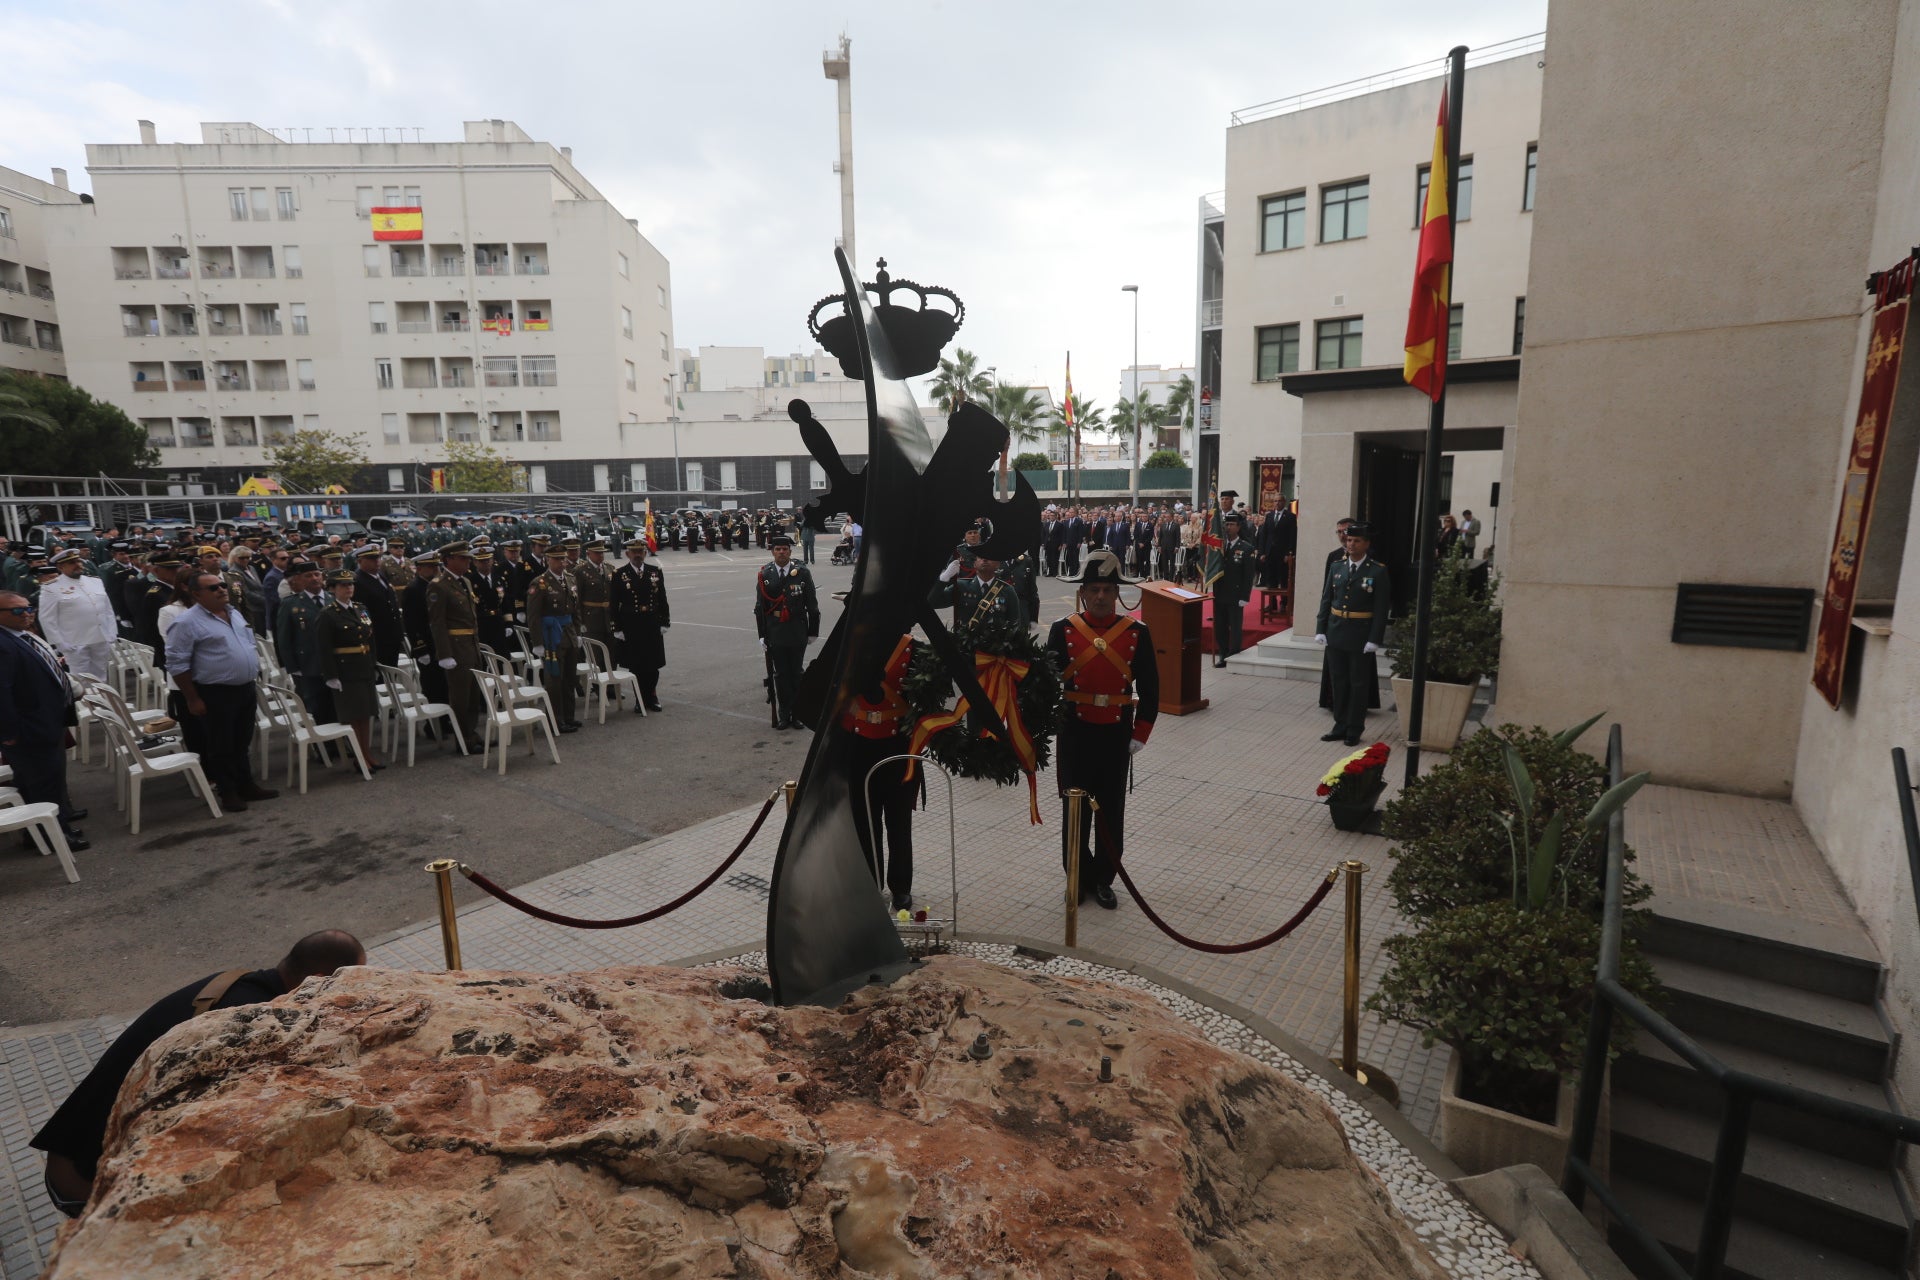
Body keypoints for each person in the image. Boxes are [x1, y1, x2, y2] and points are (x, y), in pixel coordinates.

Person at [31, 929, 367, 1217]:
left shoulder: (230, 983)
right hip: (84, 1181)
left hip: (66, 1152)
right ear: (321, 980)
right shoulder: (253, 1026)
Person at [1047, 549, 1157, 911]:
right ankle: (1077, 878)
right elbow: (1046, 683)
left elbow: (1152, 688)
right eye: (1093, 589)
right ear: (1083, 593)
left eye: (1107, 590)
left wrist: (1139, 733)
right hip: (1075, 734)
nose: (1099, 596)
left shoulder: (1137, 633)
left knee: (1111, 811)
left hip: (1115, 735)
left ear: (1116, 594)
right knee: (1075, 808)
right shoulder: (1061, 630)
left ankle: (1104, 879)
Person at [166, 571, 279, 811]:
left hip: (244, 687)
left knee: (241, 740)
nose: (221, 590)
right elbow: (177, 664)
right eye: (214, 588)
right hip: (215, 691)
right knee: (221, 744)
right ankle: (228, 792)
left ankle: (246, 784)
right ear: (196, 594)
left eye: (222, 585)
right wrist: (192, 699)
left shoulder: (234, 613)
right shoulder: (186, 622)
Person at [0, 591, 88, 850]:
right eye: (17, 610)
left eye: (29, 607)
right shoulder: (3, 644)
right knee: (41, 784)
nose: (27, 613)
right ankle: (53, 838)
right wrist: (9, 732)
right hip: (29, 728)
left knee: (49, 780)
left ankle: (52, 827)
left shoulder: (21, 637)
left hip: (47, 721)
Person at [842, 632, 919, 911]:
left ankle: (901, 887)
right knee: (864, 820)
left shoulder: (913, 649)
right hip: (859, 744)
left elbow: (922, 701)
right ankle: (870, 883)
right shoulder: (851, 643)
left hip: (897, 743)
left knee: (898, 821)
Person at [1315, 521, 1392, 747]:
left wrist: (1375, 638)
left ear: (1366, 544)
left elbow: (1380, 608)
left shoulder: (1377, 570)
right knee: (1339, 682)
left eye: (1356, 540)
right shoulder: (1336, 567)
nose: (1351, 544)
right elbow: (1326, 599)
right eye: (1349, 540)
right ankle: (1339, 725)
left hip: (1360, 635)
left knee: (1358, 684)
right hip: (1336, 631)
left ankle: (1354, 728)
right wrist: (1321, 628)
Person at [317, 570, 383, 770]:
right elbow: (323, 648)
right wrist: (331, 675)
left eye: (351, 585)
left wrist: (373, 663)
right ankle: (360, 757)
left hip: (364, 667)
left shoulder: (361, 609)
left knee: (366, 713)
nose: (348, 588)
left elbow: (370, 637)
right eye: (343, 585)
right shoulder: (328, 614)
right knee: (354, 715)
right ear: (332, 589)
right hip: (346, 671)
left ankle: (366, 754)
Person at [754, 533, 818, 730]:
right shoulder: (765, 574)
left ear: (790, 551)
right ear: (773, 552)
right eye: (778, 549)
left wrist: (812, 631)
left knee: (797, 673)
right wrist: (762, 635)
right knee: (781, 674)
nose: (781, 552)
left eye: (785, 549)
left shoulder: (802, 573)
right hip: (776, 631)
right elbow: (760, 607)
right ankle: (783, 714)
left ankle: (797, 714)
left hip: (797, 629)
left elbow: (812, 604)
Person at [428, 542, 484, 744]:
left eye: (468, 557)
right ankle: (463, 738)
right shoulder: (438, 585)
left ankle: (472, 732)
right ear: (448, 560)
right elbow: (437, 622)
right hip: (456, 647)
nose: (467, 561)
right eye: (462, 558)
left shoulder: (465, 582)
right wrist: (444, 654)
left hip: (470, 644)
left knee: (473, 694)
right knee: (460, 696)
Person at [525, 543, 585, 733]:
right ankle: (555, 720)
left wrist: (578, 632)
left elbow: (575, 608)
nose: (561, 562)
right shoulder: (540, 583)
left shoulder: (570, 579)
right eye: (557, 559)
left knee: (570, 678)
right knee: (555, 680)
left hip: (568, 633)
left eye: (563, 558)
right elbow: (533, 616)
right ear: (547, 560)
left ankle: (569, 716)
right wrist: (538, 643)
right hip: (551, 636)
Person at [37, 549, 117, 681]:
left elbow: (107, 609)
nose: (78, 565)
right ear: (60, 567)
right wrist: (60, 643)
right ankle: (85, 701)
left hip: (101, 637)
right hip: (75, 642)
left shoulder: (95, 582)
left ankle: (101, 700)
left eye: (78, 561)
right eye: (72, 563)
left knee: (101, 675)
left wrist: (112, 632)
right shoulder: (51, 587)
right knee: (80, 679)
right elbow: (46, 619)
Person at [610, 536, 669, 713]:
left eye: (641, 552)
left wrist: (665, 621)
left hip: (651, 623)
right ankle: (640, 699)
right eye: (634, 552)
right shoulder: (620, 574)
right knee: (636, 666)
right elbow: (613, 603)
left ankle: (652, 696)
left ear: (645, 552)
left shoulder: (655, 571)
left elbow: (662, 599)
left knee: (653, 666)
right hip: (631, 625)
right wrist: (617, 627)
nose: (638, 555)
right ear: (628, 553)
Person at [274, 558, 333, 723]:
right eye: (308, 575)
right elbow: (284, 639)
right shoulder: (291, 604)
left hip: (334, 663)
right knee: (318, 708)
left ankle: (344, 745)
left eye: (316, 574)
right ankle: (325, 747)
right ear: (299, 579)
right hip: (308, 665)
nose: (314, 578)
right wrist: (293, 667)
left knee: (337, 706)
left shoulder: (332, 599)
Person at [930, 547, 1027, 633]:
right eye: (980, 557)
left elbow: (1014, 624)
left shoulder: (1008, 591)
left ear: (997, 565)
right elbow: (933, 603)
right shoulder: (961, 586)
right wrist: (943, 578)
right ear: (974, 564)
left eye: (989, 557)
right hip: (966, 648)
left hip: (995, 648)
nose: (984, 559)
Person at [1212, 511, 1258, 667]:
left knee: (1235, 626)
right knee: (1220, 626)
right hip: (1219, 593)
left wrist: (1245, 596)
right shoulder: (1218, 547)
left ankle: (1234, 653)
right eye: (1227, 524)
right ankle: (1223, 653)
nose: (1228, 527)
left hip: (1235, 594)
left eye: (1232, 524)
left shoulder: (1246, 548)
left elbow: (1248, 575)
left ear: (1238, 527)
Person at [351, 545, 404, 666]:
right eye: (371, 558)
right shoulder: (358, 581)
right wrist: (369, 632)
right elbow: (361, 611)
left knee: (392, 669)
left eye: (378, 557)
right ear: (360, 561)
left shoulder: (380, 575)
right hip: (377, 636)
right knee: (381, 675)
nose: (377, 561)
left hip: (391, 634)